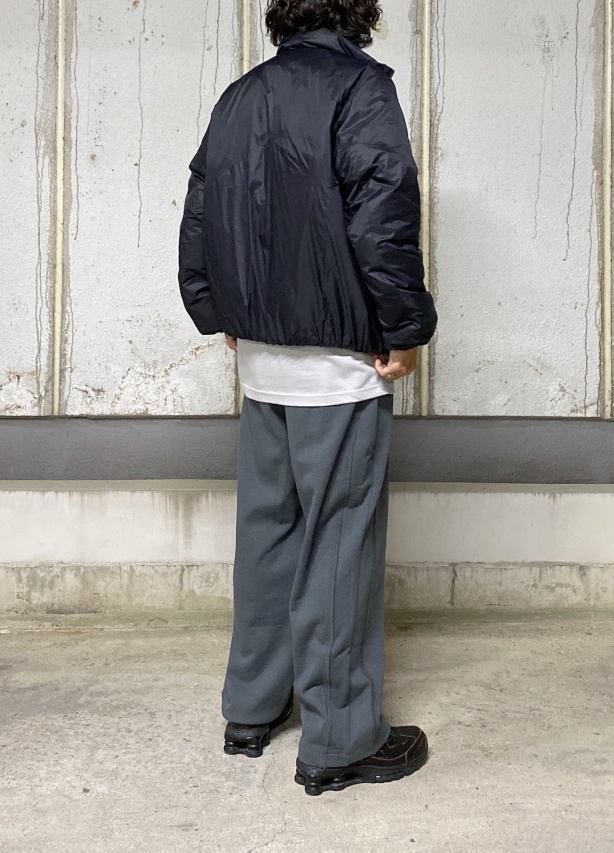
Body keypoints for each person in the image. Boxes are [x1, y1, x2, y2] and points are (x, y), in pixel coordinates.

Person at [178, 0, 437, 796]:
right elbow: (381, 217)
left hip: (261, 358)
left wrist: (217, 310)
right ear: (358, 10)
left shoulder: (240, 95)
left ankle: (251, 709)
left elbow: (201, 212)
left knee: (267, 529)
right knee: (338, 537)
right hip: (338, 356)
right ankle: (339, 738)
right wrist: (403, 327)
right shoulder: (360, 89)